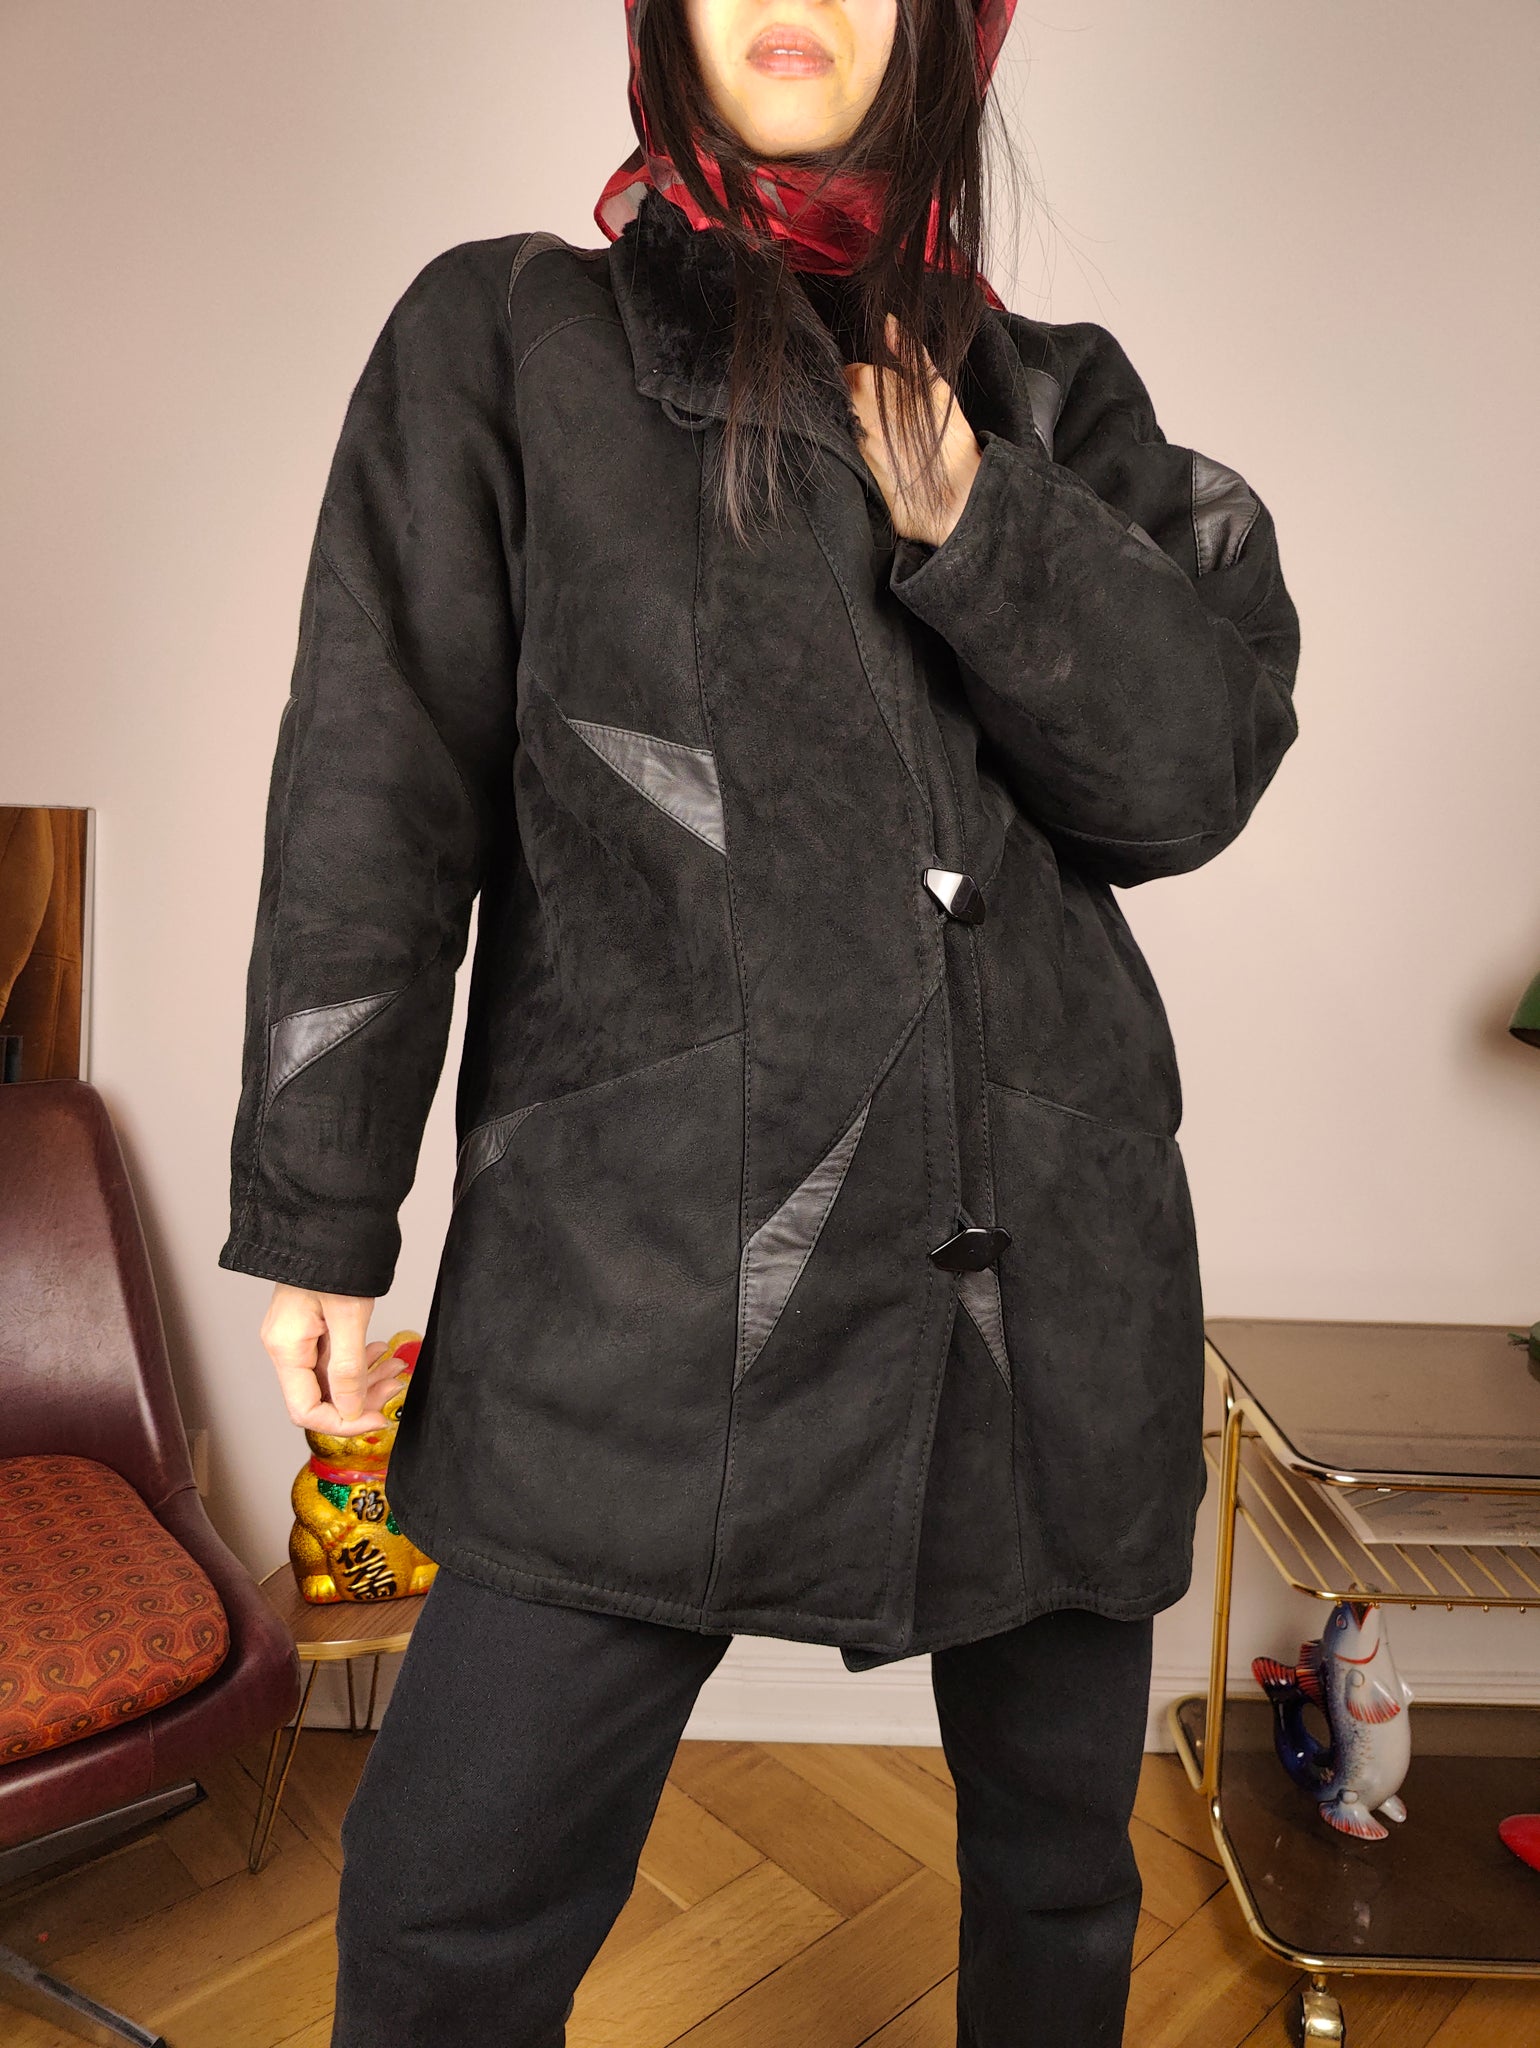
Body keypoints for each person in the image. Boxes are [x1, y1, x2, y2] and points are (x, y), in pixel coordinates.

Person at [217, 1, 1301, 2041]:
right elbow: (377, 776)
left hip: (1048, 1274)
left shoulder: (1062, 400)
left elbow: (1186, 782)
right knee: (449, 1913)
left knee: (1062, 1893)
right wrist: (320, 1208)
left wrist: (980, 517)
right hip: (635, 1280)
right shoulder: (506, 339)